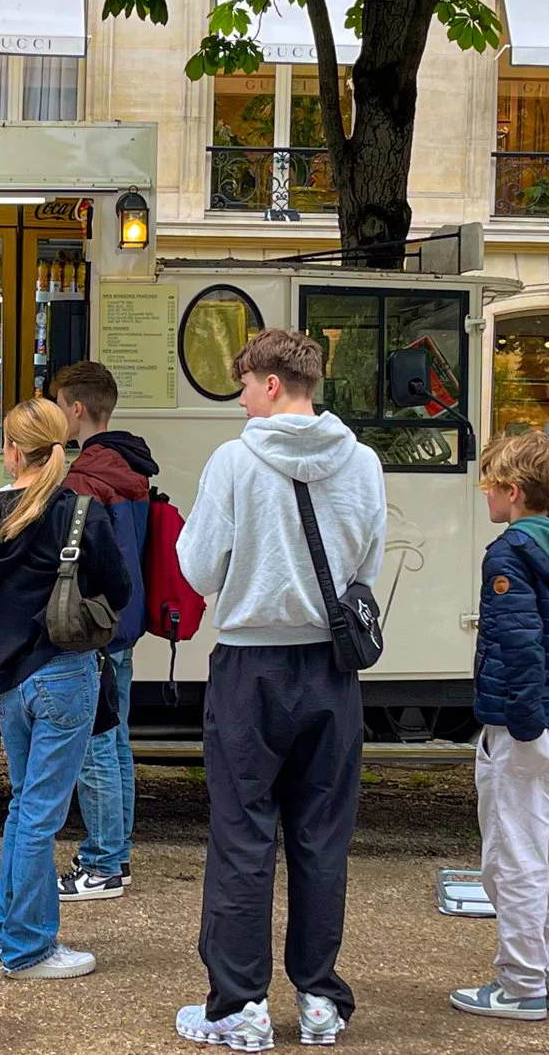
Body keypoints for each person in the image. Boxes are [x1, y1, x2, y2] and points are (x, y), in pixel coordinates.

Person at [174, 329, 386, 1050]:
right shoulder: (362, 462)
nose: (239, 401)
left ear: (270, 384)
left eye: (243, 386)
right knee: (322, 837)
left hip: (250, 667)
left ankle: (240, 1005)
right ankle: (320, 997)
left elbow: (199, 568)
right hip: (331, 667)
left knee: (243, 834)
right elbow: (366, 566)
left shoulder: (234, 461)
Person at [0, 398, 132, 979]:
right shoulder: (77, 512)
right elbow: (118, 588)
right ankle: (29, 947)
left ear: (11, 449)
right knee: (40, 814)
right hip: (63, 674)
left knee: (23, 808)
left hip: (7, 682)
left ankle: (6, 929)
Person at [450, 431, 549, 1023]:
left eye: (488, 485)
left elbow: (519, 647)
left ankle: (519, 985)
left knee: (513, 856)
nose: (484, 495)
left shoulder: (510, 553)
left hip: (522, 724)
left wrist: (520, 726)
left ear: (513, 491)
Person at [51, 361, 157, 903]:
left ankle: (102, 864)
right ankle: (117, 853)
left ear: (76, 409)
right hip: (127, 620)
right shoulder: (131, 467)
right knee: (116, 741)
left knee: (95, 745)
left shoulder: (85, 478)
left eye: (58, 405)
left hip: (96, 625)